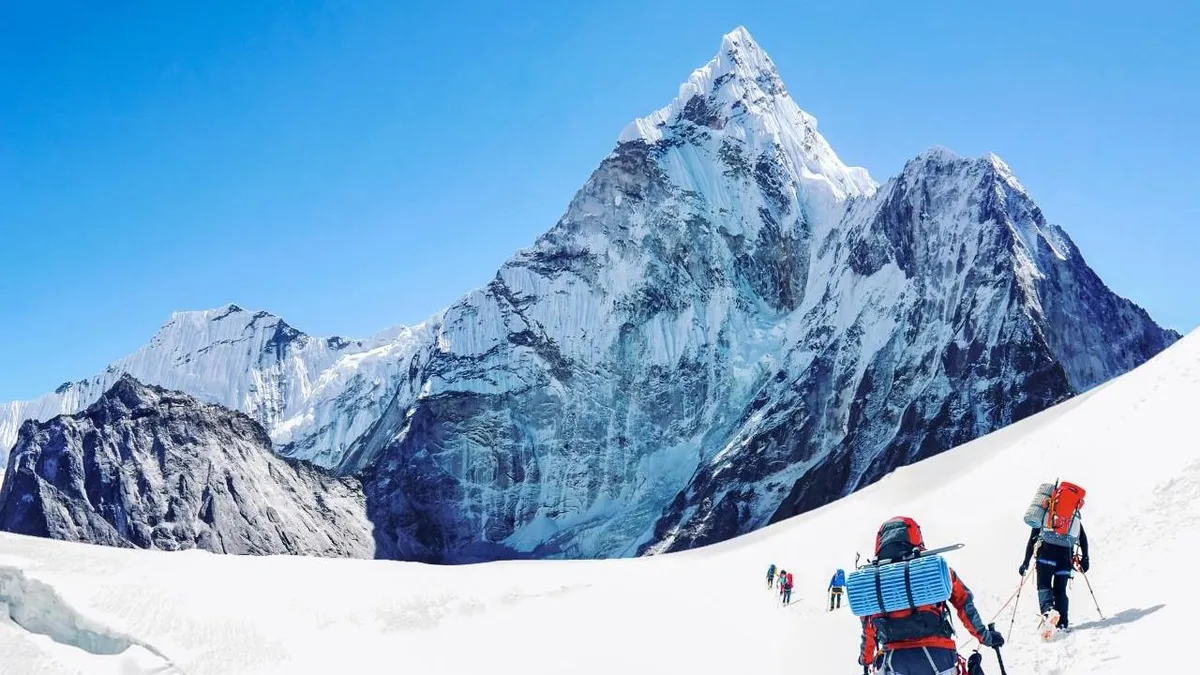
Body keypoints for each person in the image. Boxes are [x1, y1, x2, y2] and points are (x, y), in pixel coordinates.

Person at [858, 517, 1003, 674]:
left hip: (895, 660)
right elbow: (964, 604)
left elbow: (868, 628)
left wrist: (865, 659)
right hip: (940, 657)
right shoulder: (935, 570)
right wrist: (986, 637)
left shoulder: (874, 583)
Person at [1019, 517, 1089, 633]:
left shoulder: (1046, 512)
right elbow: (1082, 537)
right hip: (1065, 558)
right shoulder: (1073, 514)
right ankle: (1062, 624)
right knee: (1060, 591)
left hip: (1046, 557)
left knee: (1044, 586)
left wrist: (1026, 562)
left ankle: (1049, 611)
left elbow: (1032, 538)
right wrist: (1085, 559)